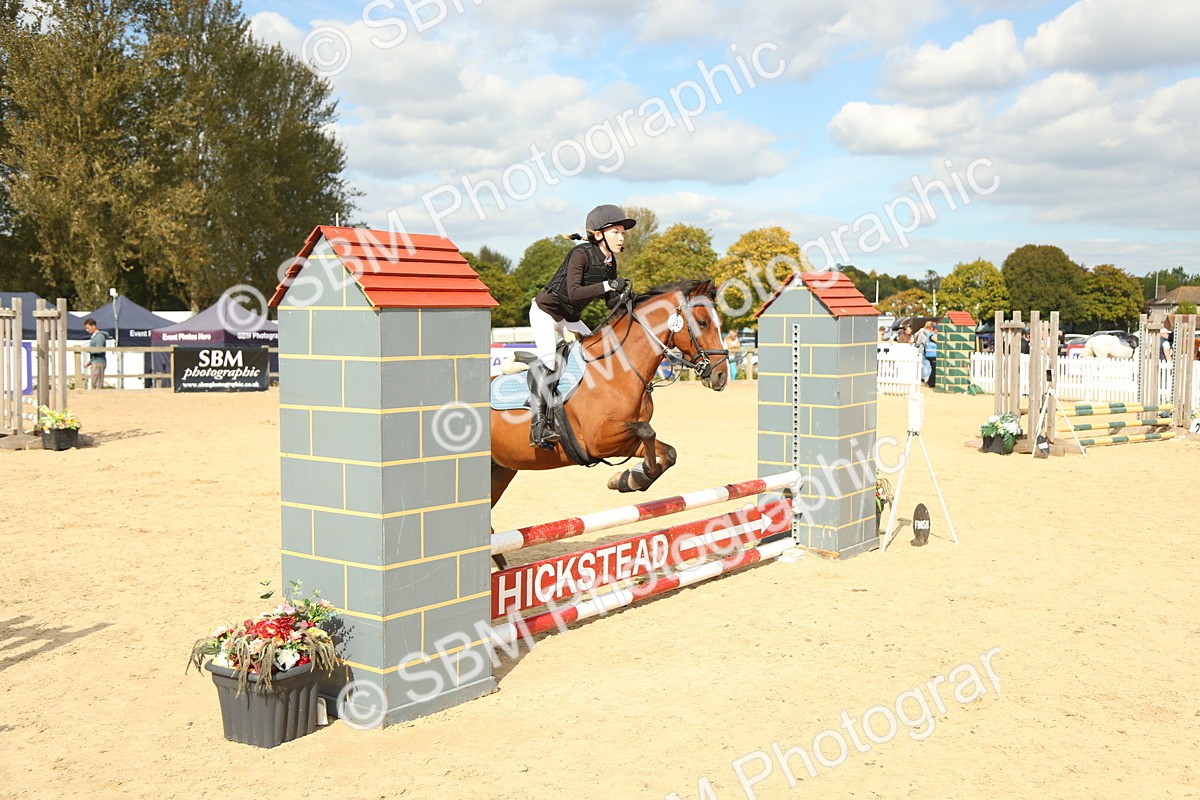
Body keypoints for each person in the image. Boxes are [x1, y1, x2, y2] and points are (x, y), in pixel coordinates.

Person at [527, 204, 635, 447]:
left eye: (623, 233)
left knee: (598, 354)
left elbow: (610, 304)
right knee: (549, 363)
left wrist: (626, 299)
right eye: (616, 232)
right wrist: (609, 286)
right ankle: (539, 427)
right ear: (599, 235)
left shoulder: (610, 262)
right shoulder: (580, 254)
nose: (621, 237)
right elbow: (575, 293)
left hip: (571, 318)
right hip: (546, 313)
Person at [83, 318, 108, 389]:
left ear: (93, 326)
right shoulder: (95, 337)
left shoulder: (99, 336)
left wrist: (89, 350)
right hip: (95, 361)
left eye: (88, 328)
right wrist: (90, 362)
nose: (87, 330)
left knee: (97, 383)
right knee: (95, 382)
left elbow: (99, 350)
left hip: (98, 362)